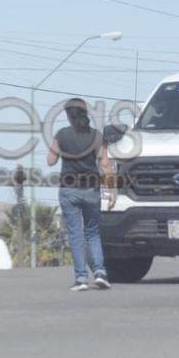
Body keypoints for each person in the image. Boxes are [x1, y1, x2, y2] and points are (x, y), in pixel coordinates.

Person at [46, 98, 116, 292]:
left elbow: (50, 161)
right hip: (91, 190)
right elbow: (104, 164)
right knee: (93, 233)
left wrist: (58, 148)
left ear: (68, 116)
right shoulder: (96, 136)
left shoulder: (62, 135)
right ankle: (100, 273)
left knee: (76, 235)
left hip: (69, 191)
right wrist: (112, 191)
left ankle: (81, 278)